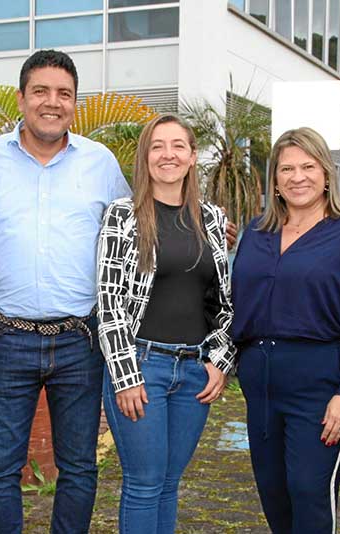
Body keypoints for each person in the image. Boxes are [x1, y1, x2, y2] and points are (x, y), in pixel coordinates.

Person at [0, 49, 130, 534]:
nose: (51, 103)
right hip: (5, 339)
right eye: (41, 92)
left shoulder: (100, 163)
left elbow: (133, 232)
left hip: (80, 340)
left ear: (75, 102)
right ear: (21, 98)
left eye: (64, 94)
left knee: (78, 468)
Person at [229, 127, 340, 532]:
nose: (298, 177)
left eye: (308, 167)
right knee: (273, 492)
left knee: (309, 491)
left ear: (327, 174)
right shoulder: (256, 234)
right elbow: (233, 305)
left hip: (318, 381)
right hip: (260, 381)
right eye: (287, 169)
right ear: (275, 180)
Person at [95, 114, 236, 534]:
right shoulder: (123, 215)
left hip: (194, 371)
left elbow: (224, 302)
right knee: (143, 484)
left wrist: (221, 361)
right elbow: (109, 301)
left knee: (170, 483)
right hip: (142, 366)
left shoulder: (211, 219)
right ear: (145, 156)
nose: (168, 154)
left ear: (193, 157)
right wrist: (125, 376)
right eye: (157, 146)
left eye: (178, 146)